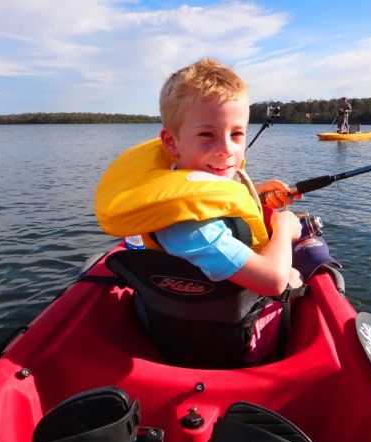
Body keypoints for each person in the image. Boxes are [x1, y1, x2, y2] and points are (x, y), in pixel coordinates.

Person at [95, 58, 308, 366]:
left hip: (176, 322)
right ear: (171, 142)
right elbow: (272, 282)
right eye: (207, 134)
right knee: (300, 270)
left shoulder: (175, 197)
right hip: (232, 341)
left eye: (236, 134)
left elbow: (204, 197)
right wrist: (285, 226)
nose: (226, 149)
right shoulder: (191, 229)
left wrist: (255, 195)